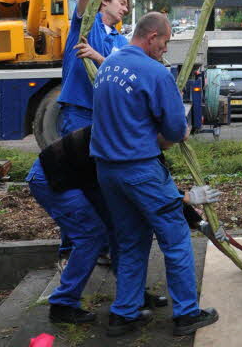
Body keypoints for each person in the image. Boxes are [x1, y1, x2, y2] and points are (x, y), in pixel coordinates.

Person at [90, 11, 219, 337]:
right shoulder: (155, 73)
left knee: (131, 240)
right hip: (141, 171)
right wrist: (174, 134)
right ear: (151, 37)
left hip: (108, 171)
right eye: (164, 41)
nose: (165, 48)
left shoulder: (108, 66)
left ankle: (124, 314)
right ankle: (187, 314)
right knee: (175, 238)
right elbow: (176, 129)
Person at [25, 126, 170, 325]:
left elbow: (158, 185)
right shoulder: (128, 138)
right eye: (171, 139)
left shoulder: (139, 136)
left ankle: (132, 295)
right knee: (90, 236)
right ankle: (62, 304)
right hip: (52, 178)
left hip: (82, 176)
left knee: (118, 228)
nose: (171, 146)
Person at [58, 0, 130, 136]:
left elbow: (121, 75)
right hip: (79, 111)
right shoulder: (86, 25)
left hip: (106, 113)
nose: (125, 9)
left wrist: (97, 56)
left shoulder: (122, 42)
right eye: (122, 3)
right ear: (104, 2)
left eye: (127, 8)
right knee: (75, 164)